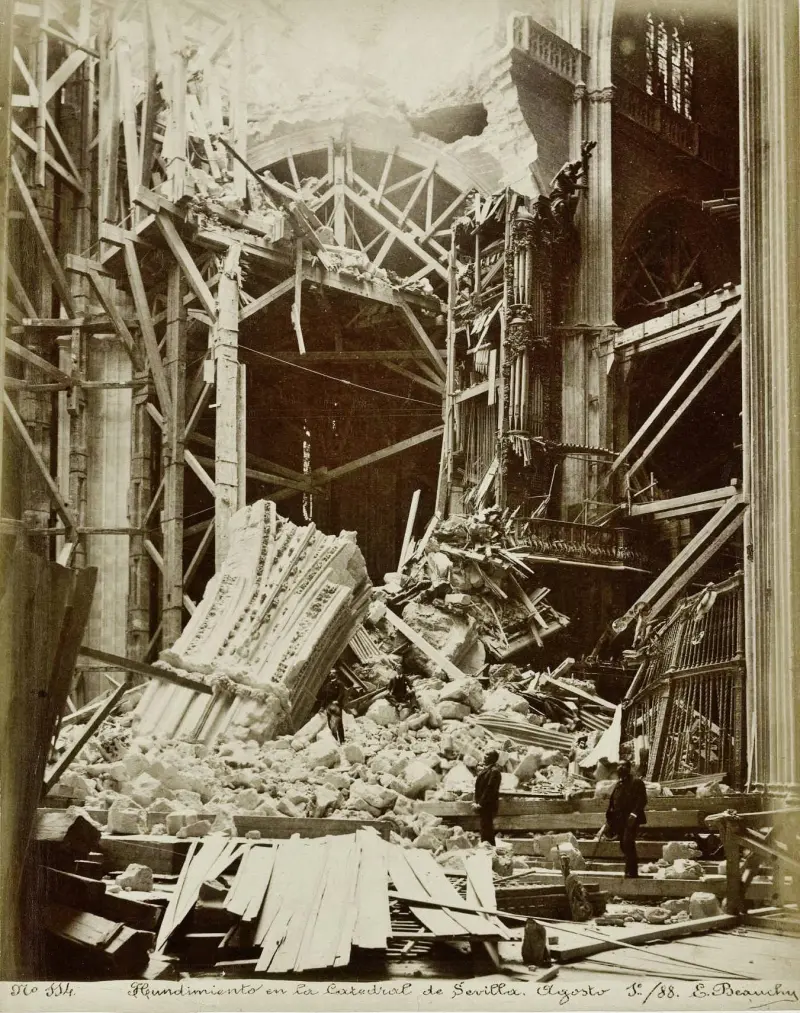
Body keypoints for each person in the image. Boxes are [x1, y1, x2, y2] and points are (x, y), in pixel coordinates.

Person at [604, 759, 648, 878]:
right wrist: (609, 819)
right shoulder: (618, 784)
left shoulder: (637, 782)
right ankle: (630, 869)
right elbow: (613, 803)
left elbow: (642, 800)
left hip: (631, 819)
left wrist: (634, 815)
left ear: (629, 769)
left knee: (628, 842)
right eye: (618, 765)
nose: (620, 767)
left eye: (623, 765)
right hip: (619, 820)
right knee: (624, 845)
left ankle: (631, 872)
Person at [473, 749, 502, 846]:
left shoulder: (494, 772)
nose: (484, 756)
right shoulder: (488, 770)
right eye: (485, 754)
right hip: (484, 805)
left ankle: (489, 849)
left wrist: (480, 804)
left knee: (487, 829)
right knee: (485, 828)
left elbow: (489, 790)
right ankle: (488, 848)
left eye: (487, 755)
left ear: (493, 758)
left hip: (487, 806)